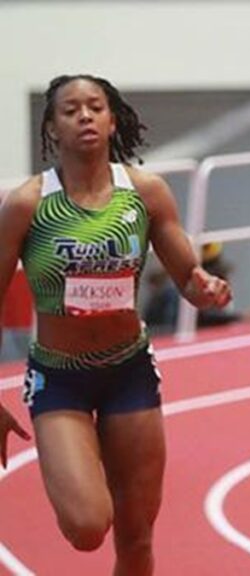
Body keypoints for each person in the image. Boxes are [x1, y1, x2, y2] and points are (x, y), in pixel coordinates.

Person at [0, 74, 231, 575]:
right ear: (52, 128)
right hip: (59, 378)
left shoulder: (144, 193)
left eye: (95, 106)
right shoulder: (28, 204)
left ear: (111, 119)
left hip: (128, 372)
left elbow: (187, 276)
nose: (85, 116)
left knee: (137, 537)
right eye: (70, 110)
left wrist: (205, 289)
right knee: (87, 527)